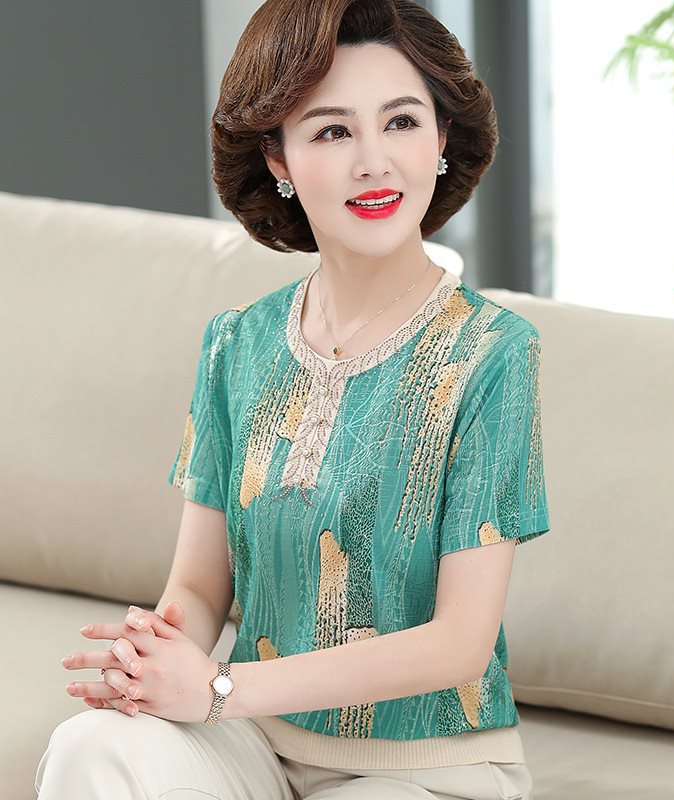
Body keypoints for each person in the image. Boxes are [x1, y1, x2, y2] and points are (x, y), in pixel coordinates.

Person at [35, 0, 551, 797]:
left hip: (431, 767)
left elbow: (460, 643)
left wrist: (218, 689)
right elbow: (200, 587)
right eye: (332, 131)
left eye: (401, 122)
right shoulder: (236, 344)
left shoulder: (491, 353)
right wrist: (153, 663)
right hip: (255, 742)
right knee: (91, 747)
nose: (374, 162)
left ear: (442, 138)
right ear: (277, 155)